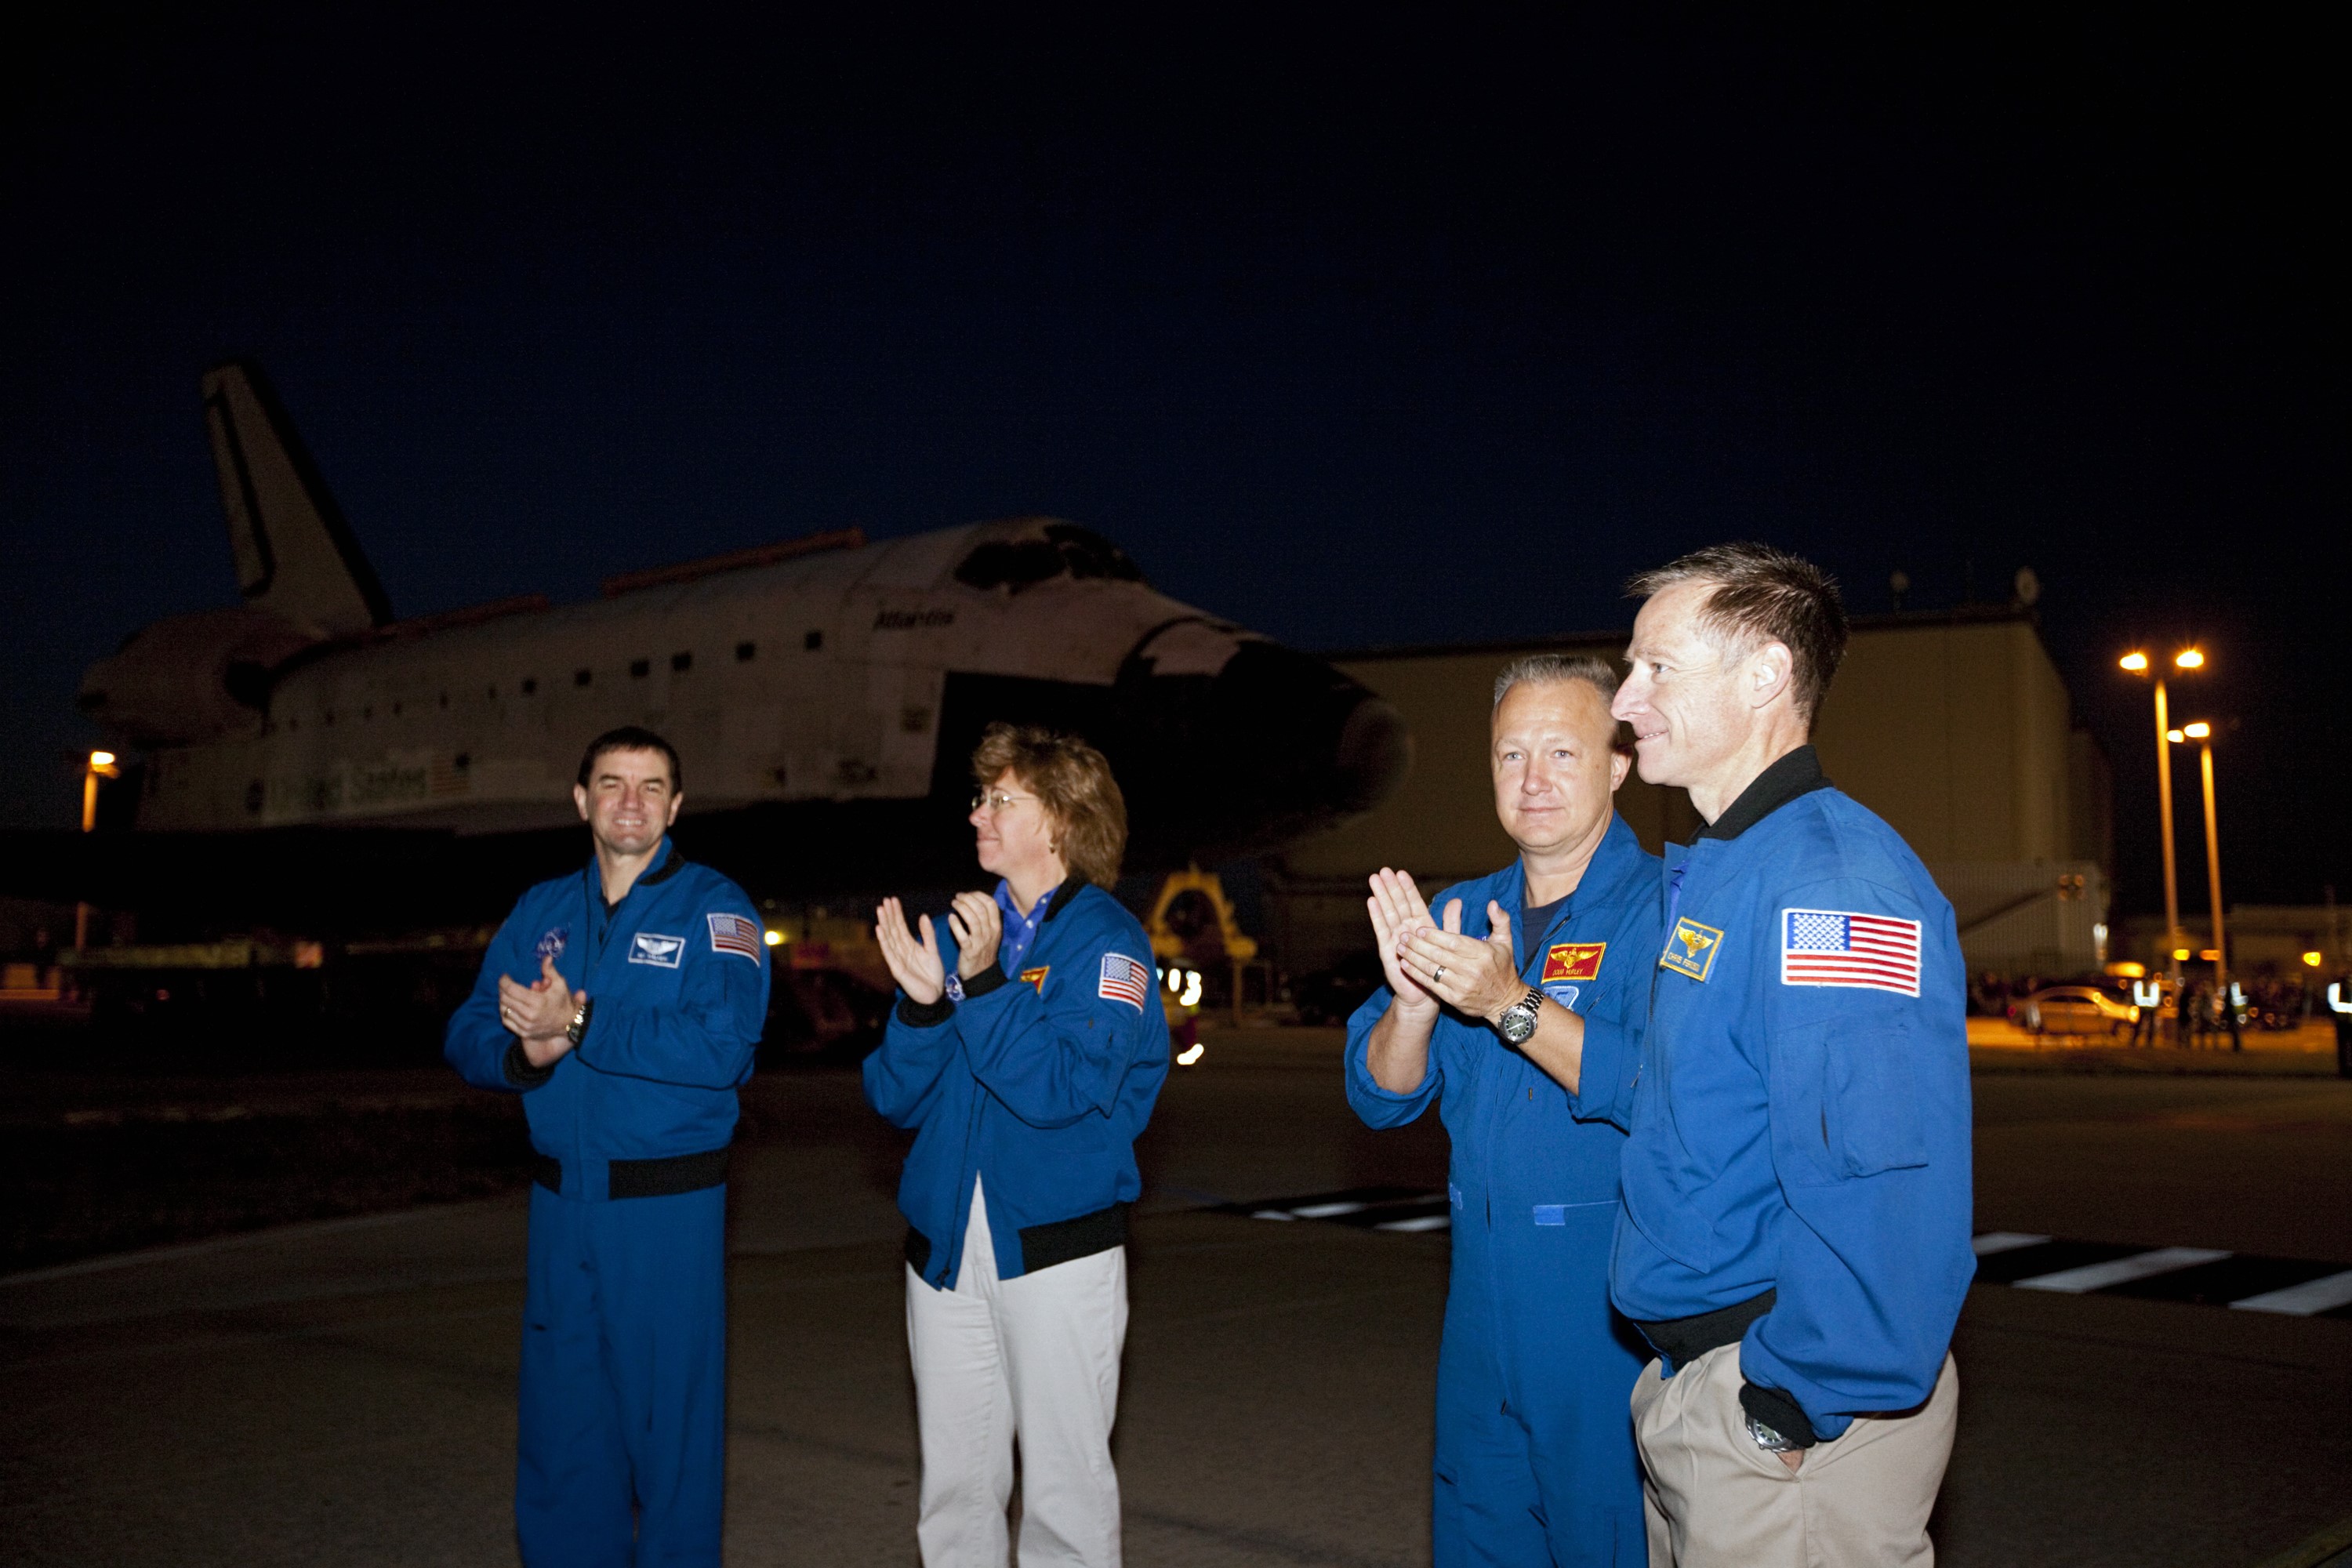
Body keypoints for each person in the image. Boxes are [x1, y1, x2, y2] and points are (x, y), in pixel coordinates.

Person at [1606, 545, 1973, 1567]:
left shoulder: (1829, 887)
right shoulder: (1733, 867)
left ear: (1766, 674)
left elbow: (1882, 1183)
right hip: (1714, 1390)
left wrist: (1787, 1401)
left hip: (1788, 1420)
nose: (1626, 699)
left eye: (1657, 668)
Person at [1345, 654, 1661, 1566]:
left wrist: (1510, 1004)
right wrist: (1410, 1005)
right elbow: (1380, 1096)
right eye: (1510, 754)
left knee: (1606, 1537)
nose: (1533, 780)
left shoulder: (1669, 911)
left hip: (1604, 1312)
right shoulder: (1461, 910)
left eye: (1563, 752)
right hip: (1479, 1309)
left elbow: (1667, 1089)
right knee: (1478, 1533)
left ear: (1618, 765)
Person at [445, 726, 769, 1567]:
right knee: (563, 1425)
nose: (632, 801)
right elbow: (470, 1024)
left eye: (652, 785)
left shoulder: (717, 908)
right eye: (613, 783)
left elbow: (724, 1042)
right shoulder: (542, 909)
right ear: (581, 799)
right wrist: (528, 1053)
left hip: (665, 1211)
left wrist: (582, 1023)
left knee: (669, 1437)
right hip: (561, 1207)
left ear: (676, 804)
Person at [866, 724, 1170, 1567]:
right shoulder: (970, 932)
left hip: (1055, 1253)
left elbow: (1064, 1092)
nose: (977, 816)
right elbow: (894, 1095)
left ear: (1062, 820)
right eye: (979, 797)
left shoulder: (1108, 943)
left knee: (1064, 1496)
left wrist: (989, 985)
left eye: (1002, 799)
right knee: (955, 1490)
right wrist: (927, 1004)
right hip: (944, 1255)